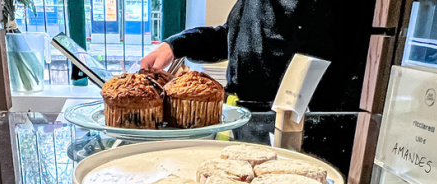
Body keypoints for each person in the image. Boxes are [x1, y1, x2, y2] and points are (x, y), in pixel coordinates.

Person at [141, 0, 375, 112]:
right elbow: (233, 36)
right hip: (247, 119)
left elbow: (354, 60)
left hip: (296, 128)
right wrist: (175, 45)